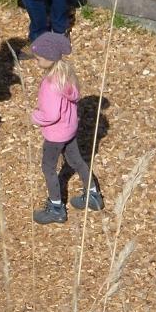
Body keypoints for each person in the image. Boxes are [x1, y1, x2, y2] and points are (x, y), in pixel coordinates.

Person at [29, 32, 104, 225]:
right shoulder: (66, 76)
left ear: (49, 58)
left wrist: (35, 117)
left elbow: (51, 115)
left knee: (48, 168)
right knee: (77, 161)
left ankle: (56, 208)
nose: (36, 61)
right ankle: (93, 195)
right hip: (70, 130)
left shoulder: (49, 85)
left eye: (38, 58)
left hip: (55, 135)